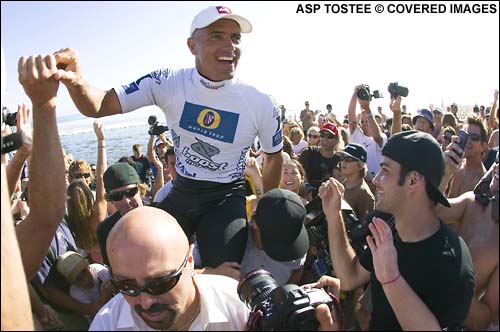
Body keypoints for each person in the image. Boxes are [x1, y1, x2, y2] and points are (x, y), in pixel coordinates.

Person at [52, 5, 284, 268]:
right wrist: (75, 80)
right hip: (183, 191)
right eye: (217, 36)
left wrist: (265, 208)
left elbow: (274, 157)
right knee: (111, 234)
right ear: (192, 45)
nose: (229, 45)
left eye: (235, 38)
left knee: (224, 273)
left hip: (226, 197)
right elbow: (98, 105)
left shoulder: (261, 103)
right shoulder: (167, 82)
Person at [319, 130, 474, 330]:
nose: (375, 180)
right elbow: (350, 277)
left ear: (413, 181)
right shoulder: (388, 228)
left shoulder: (451, 264)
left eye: (386, 171)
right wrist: (333, 215)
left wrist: (391, 279)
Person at [90, 206, 250, 331]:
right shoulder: (107, 324)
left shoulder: (242, 308)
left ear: (190, 261)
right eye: (126, 286)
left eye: (160, 283)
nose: (145, 303)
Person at [437, 157, 499, 330]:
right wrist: (446, 173)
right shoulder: (470, 201)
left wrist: (458, 286)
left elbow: (485, 319)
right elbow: (431, 211)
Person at [240, 188, 309, 285]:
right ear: (256, 223)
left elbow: (298, 268)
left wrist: (286, 291)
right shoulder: (235, 245)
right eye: (277, 239)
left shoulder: (298, 246)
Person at [97, 162, 144, 267]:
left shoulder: (162, 215)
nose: (126, 201)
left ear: (140, 189)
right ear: (110, 200)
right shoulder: (106, 230)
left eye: (131, 192)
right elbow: (111, 267)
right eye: (117, 196)